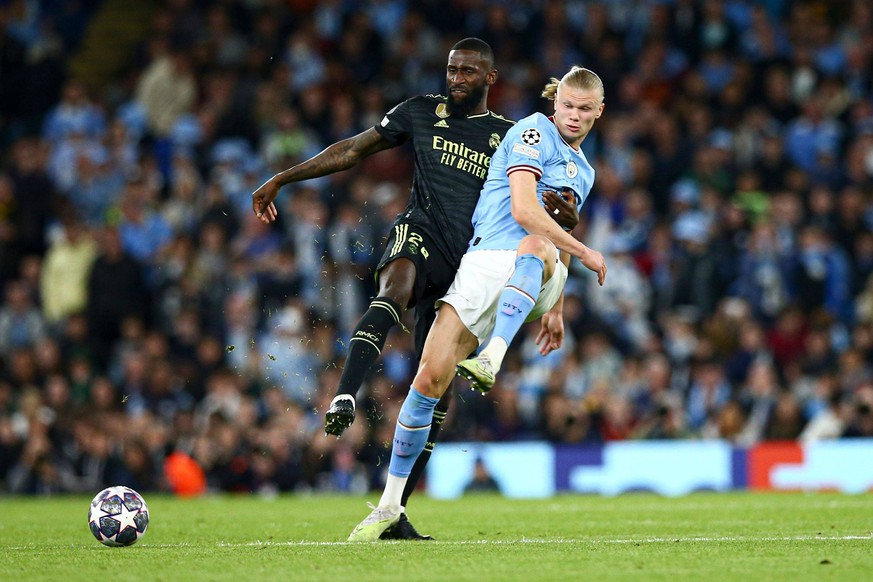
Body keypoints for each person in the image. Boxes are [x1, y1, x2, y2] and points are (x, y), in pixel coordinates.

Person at [251, 38, 581, 540]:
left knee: (436, 387)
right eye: (451, 69)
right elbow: (354, 150)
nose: (456, 78)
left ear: (490, 79)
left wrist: (559, 254)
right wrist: (283, 178)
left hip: (468, 261)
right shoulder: (421, 112)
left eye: (468, 72)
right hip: (420, 230)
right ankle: (345, 396)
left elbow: (537, 206)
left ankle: (394, 511)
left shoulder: (511, 135)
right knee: (393, 289)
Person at [347, 65, 608, 541]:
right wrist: (585, 252)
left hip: (532, 264)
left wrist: (557, 305)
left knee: (535, 248)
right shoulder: (532, 132)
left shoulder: (583, 171)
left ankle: (494, 355)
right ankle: (387, 507)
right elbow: (525, 211)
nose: (573, 116)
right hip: (483, 263)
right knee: (427, 379)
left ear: (599, 112)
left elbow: (552, 234)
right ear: (556, 103)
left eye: (584, 109)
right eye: (567, 105)